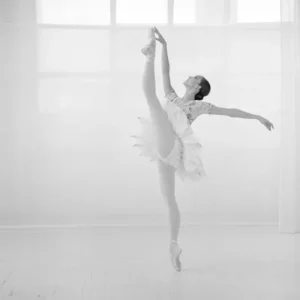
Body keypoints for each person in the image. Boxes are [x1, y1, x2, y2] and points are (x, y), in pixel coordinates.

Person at [132, 27, 274, 272]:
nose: (189, 76)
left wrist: (257, 116)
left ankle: (148, 55)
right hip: (164, 148)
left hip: (171, 142)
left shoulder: (199, 106)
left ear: (198, 87)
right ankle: (174, 245)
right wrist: (165, 46)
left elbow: (231, 112)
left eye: (194, 77)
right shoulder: (174, 96)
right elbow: (166, 71)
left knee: (151, 99)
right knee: (169, 199)